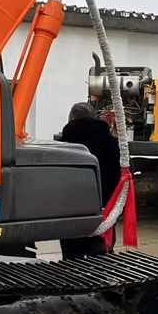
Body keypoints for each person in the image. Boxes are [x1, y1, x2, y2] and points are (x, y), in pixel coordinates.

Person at [59, 102, 121, 257]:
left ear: (71, 119)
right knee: (101, 257)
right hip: (104, 211)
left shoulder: (62, 146)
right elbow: (121, 177)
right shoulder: (112, 144)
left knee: (72, 258)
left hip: (70, 214)